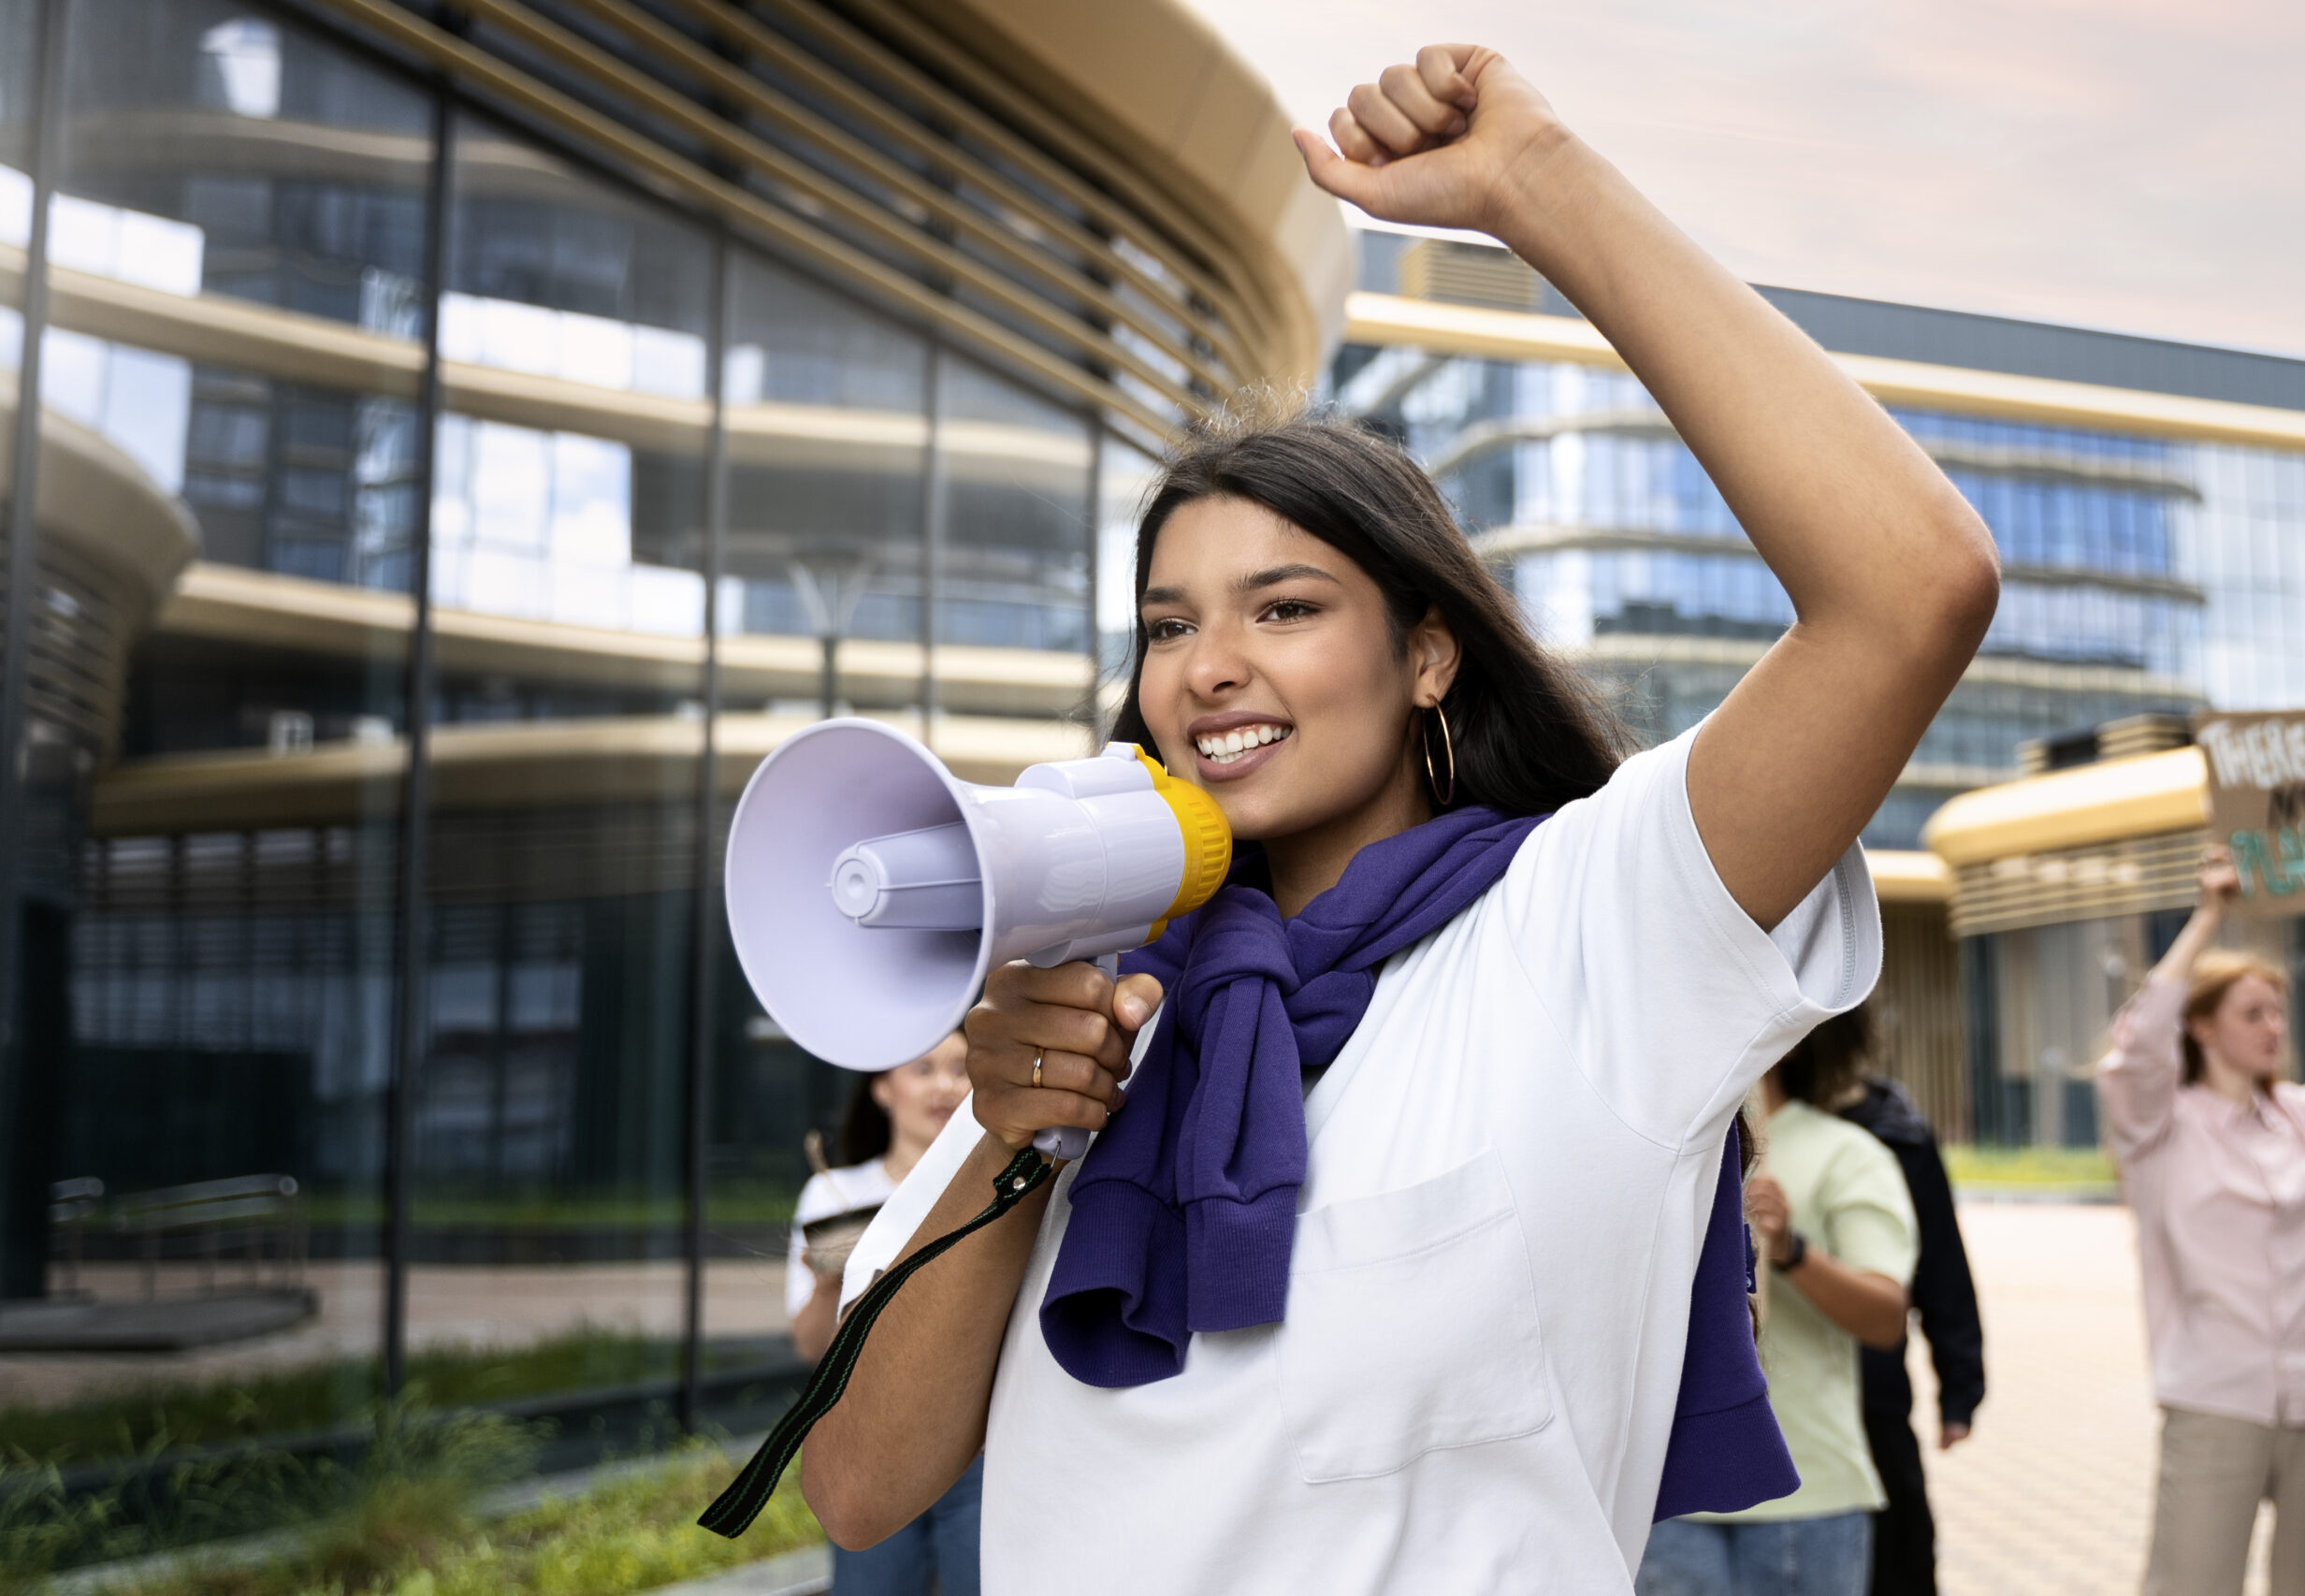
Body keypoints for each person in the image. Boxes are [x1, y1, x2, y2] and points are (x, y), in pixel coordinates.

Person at [795, 41, 1998, 1594]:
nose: (1208, 664)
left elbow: (1913, 588)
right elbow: (858, 1488)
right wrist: (1009, 1141)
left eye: (1283, 606)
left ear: (1427, 652)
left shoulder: (1598, 922)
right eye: (1165, 625)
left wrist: (1534, 180)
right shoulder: (1095, 1009)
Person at [1640, 1012, 1921, 1596]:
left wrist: (1793, 1252)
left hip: (1807, 1496)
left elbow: (1886, 1318)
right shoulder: (1653, 1147)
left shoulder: (1847, 1152)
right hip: (1670, 1494)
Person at [2098, 848, 2304, 1596]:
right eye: (2253, 1012)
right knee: (2192, 1584)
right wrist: (2210, 915)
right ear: (2205, 1028)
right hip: (2216, 1400)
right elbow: (2137, 1044)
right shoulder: (2160, 1127)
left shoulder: (2296, 1118)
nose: (2274, 1026)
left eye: (2279, 1010)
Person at [786, 1034, 980, 1596]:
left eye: (960, 1069)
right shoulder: (832, 1197)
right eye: (923, 1069)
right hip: (865, 1441)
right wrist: (827, 1286)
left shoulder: (1002, 1187)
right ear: (881, 1088)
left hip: (977, 1442)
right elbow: (811, 1350)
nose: (945, 1085)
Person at [1838, 1032, 1985, 1596]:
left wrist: (1960, 1387)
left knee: (1899, 1560)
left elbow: (1943, 1269)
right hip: (1778, 1402)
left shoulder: (1901, 1133)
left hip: (1876, 1394)